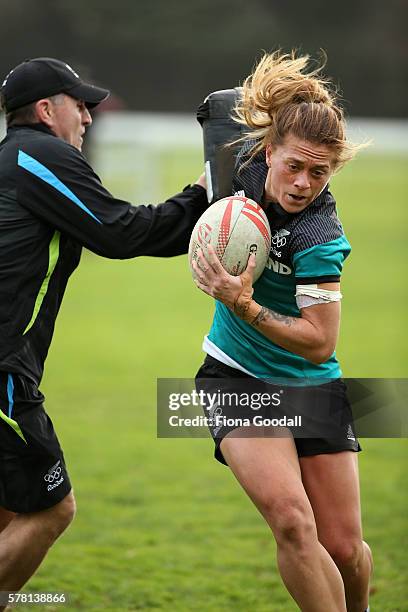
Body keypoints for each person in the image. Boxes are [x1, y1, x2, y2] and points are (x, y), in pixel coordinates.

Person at [0, 57, 207, 605]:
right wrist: (204, 197)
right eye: (80, 105)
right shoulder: (38, 154)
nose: (90, 117)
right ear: (46, 111)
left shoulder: (12, 159)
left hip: (10, 366)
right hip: (2, 373)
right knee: (50, 509)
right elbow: (119, 232)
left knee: (8, 512)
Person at [193, 52, 372, 612]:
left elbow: (320, 342)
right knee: (294, 523)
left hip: (311, 382)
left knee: (343, 547)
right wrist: (203, 214)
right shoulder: (238, 168)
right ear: (268, 151)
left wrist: (242, 302)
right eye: (294, 165)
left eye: (319, 173)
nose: (301, 183)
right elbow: (220, 113)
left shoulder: (320, 236)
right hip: (237, 377)